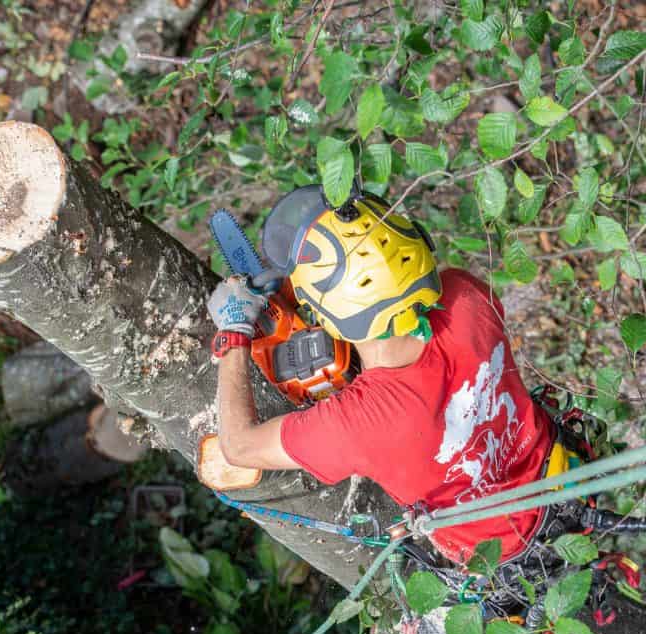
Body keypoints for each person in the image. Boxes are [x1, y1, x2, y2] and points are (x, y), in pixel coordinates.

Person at [207, 185, 561, 569]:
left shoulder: (359, 424)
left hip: (499, 555)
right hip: (559, 474)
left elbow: (239, 447)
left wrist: (235, 330)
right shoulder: (465, 294)